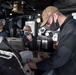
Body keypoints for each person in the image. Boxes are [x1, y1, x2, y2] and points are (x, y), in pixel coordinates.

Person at [27, 6, 76, 75]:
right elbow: (65, 52)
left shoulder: (71, 30)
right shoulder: (65, 28)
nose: (49, 26)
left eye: (48, 23)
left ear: (55, 16)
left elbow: (60, 58)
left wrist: (36, 65)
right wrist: (50, 56)